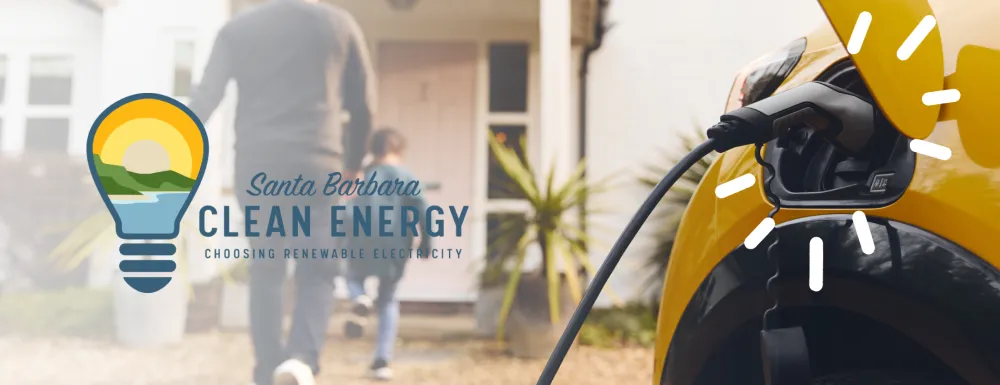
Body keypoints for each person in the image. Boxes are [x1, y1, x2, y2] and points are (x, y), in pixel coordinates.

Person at [186, 0, 376, 384]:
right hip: (317, 165)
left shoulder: (239, 29)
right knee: (319, 269)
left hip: (258, 165)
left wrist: (169, 142)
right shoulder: (338, 24)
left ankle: (267, 368)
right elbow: (364, 107)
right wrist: (354, 164)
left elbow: (206, 98)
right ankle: (301, 360)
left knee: (267, 268)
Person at [342, 128, 431, 381]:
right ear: (398, 150)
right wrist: (426, 242)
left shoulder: (363, 175)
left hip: (361, 237)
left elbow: (346, 207)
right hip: (395, 242)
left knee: (353, 277)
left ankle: (359, 297)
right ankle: (382, 360)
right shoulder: (405, 175)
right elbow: (423, 208)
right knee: (388, 299)